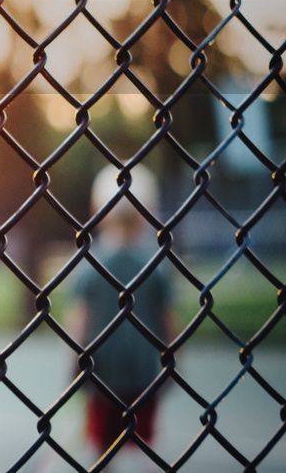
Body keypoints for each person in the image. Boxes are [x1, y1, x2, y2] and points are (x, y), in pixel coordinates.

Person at [69, 165, 174, 456]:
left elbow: (80, 321)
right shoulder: (155, 266)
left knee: (102, 449)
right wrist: (173, 362)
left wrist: (73, 365)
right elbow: (169, 324)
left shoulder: (91, 265)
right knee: (146, 444)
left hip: (103, 375)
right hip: (143, 374)